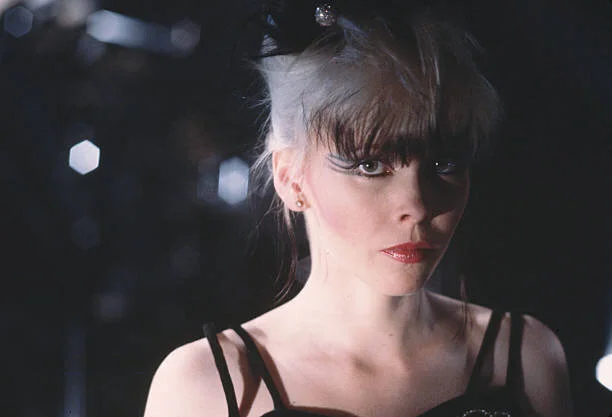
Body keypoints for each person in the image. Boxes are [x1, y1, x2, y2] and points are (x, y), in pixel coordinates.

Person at [143, 1, 572, 416]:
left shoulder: (525, 358)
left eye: (444, 165)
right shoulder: (206, 387)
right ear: (291, 178)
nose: (417, 206)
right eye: (370, 165)